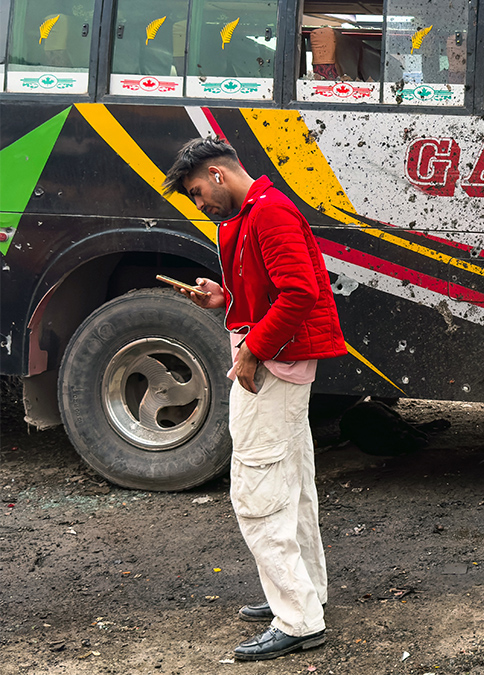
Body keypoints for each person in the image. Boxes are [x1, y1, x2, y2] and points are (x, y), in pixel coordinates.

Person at [162, 138, 347, 661]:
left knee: (257, 489)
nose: (200, 205)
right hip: (277, 361)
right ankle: (302, 593)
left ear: (219, 174)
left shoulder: (270, 214)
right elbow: (272, 290)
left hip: (271, 364)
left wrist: (252, 352)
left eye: (198, 193)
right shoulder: (252, 213)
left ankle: (297, 618)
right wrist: (223, 298)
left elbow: (300, 292)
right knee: (290, 481)